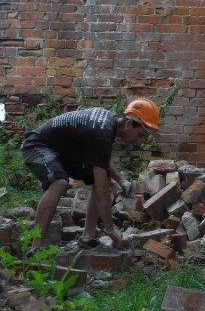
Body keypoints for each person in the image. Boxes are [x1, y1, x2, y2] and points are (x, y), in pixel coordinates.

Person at [20, 98, 160, 252]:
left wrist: (121, 180)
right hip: (37, 146)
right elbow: (101, 192)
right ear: (129, 124)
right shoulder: (101, 132)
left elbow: (101, 158)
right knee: (59, 181)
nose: (138, 141)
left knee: (103, 176)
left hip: (62, 151)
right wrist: (111, 229)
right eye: (140, 135)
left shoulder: (107, 122)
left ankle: (87, 237)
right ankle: (35, 248)